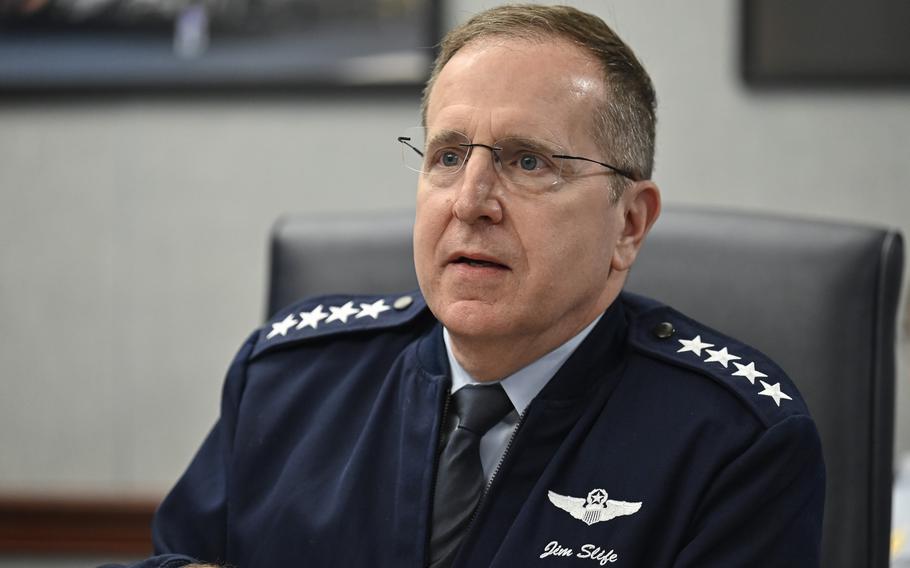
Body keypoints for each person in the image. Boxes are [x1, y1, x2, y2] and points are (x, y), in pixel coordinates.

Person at [104, 4, 824, 568]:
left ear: (629, 224)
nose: (470, 200)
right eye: (448, 155)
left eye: (529, 162)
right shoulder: (287, 380)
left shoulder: (734, 442)